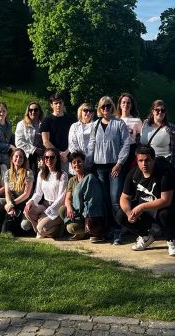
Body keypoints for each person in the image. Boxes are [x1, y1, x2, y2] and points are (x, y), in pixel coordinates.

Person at [116, 145, 175, 256]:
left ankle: (171, 240)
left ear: (153, 160)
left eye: (147, 160)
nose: (144, 164)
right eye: (140, 161)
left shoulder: (164, 173)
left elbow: (166, 200)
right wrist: (128, 212)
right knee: (121, 215)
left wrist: (142, 207)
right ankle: (145, 237)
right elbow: (124, 197)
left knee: (165, 214)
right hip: (143, 210)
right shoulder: (133, 173)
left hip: (160, 208)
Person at [86, 95, 131, 244]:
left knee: (115, 199)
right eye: (103, 106)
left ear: (112, 107)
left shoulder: (119, 123)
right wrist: (88, 164)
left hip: (115, 166)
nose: (106, 108)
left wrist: (119, 163)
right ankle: (107, 229)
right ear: (99, 109)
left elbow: (126, 144)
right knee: (104, 199)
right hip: (99, 167)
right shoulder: (95, 125)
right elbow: (91, 145)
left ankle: (118, 230)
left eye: (108, 106)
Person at [24, 147, 68, 238]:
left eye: (52, 157)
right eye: (46, 157)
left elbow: (61, 197)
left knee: (42, 228)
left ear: (56, 159)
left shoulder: (63, 175)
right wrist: (31, 201)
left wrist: (47, 212)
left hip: (57, 208)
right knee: (27, 210)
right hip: (45, 205)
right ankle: (41, 229)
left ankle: (57, 229)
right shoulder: (41, 173)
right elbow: (38, 193)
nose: (49, 160)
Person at [63, 151, 107, 241]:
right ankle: (84, 232)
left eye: (79, 161)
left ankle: (91, 230)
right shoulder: (72, 180)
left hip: (88, 213)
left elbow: (92, 201)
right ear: (71, 165)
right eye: (74, 162)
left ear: (84, 163)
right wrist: (69, 207)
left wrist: (85, 215)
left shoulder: (90, 178)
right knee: (62, 210)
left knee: (71, 228)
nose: (77, 164)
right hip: (77, 211)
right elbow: (68, 198)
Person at [0, 148, 35, 234]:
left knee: (24, 225)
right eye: (16, 156)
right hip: (13, 201)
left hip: (24, 203)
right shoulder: (8, 173)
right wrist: (9, 206)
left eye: (21, 157)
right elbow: (7, 192)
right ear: (12, 158)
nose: (18, 159)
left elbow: (26, 194)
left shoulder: (28, 173)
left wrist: (12, 204)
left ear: (24, 160)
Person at [40, 93, 74, 166]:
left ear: (63, 103)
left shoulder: (71, 119)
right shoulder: (47, 120)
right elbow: (45, 141)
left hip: (68, 157)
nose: (58, 105)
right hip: (52, 157)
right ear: (51, 105)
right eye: (56, 103)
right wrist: (58, 154)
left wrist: (66, 153)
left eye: (60, 103)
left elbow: (74, 139)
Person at [14, 101, 43, 171]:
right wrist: (35, 149)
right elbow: (19, 143)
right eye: (30, 110)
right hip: (27, 157)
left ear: (39, 111)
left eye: (36, 110)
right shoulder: (21, 124)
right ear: (27, 112)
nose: (33, 112)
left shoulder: (43, 124)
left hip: (42, 157)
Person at [67, 103, 95, 168]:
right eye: (85, 110)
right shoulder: (74, 126)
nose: (88, 112)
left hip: (92, 161)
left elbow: (95, 144)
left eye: (90, 111)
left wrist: (88, 158)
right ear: (80, 112)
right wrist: (80, 159)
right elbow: (72, 144)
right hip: (77, 162)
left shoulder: (96, 126)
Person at [116, 93, 142, 161]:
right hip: (117, 149)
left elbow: (140, 139)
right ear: (120, 105)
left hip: (131, 151)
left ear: (131, 105)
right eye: (123, 102)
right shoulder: (115, 120)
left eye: (128, 103)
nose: (126, 105)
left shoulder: (137, 121)